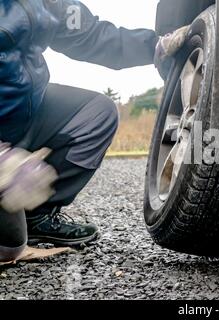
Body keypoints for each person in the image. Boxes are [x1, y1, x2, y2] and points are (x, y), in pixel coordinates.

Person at [0, 0, 189, 262]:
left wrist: (154, 46)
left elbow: (92, 35)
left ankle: (36, 215)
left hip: (20, 112)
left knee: (97, 113)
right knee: (8, 247)